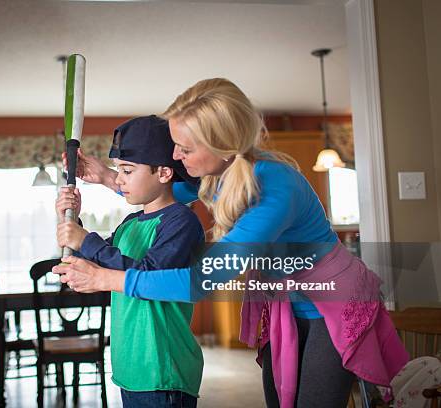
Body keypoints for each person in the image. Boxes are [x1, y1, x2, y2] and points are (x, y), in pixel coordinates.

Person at [53, 79, 409, 408]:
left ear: (222, 146)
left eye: (184, 147)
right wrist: (101, 175)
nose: (174, 156)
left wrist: (104, 278)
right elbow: (161, 188)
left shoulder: (275, 190)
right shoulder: (218, 172)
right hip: (284, 296)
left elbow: (198, 281)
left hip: (334, 297)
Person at [56, 115, 205, 408]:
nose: (118, 179)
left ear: (163, 173)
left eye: (127, 170)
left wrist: (84, 238)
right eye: (117, 170)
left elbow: (148, 275)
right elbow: (100, 263)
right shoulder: (130, 223)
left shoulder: (181, 222)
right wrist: (71, 219)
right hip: (132, 367)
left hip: (163, 369)